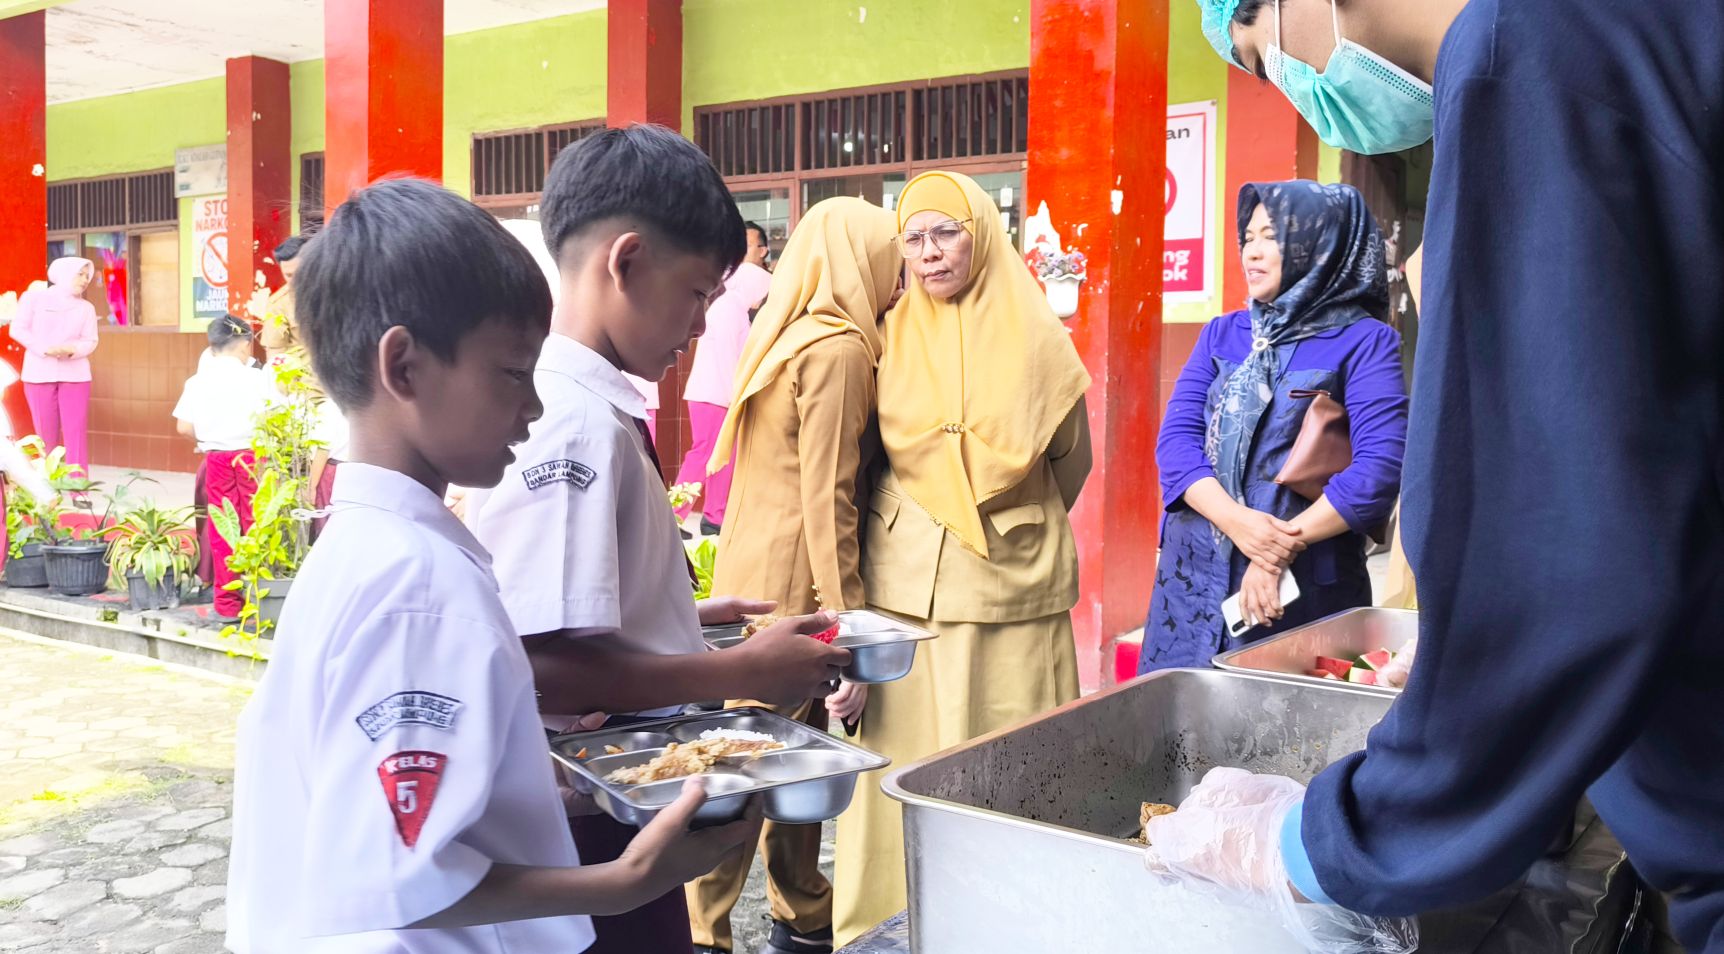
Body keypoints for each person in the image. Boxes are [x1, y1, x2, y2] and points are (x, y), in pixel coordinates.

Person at [1147, 2, 1724, 952]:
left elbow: (1570, 554)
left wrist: (1316, 841)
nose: (1291, 88)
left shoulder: (1527, 51)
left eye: (1259, 58)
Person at [225, 178, 762, 954]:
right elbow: (390, 875)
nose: (535, 408)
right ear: (403, 366)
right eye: (513, 374)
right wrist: (625, 882)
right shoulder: (420, 589)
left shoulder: (373, 549)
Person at [462, 124, 851, 954]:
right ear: (626, 261)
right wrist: (741, 669)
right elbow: (539, 654)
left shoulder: (592, 407)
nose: (704, 327)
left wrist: (684, 614)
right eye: (699, 294)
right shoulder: (570, 424)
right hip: (586, 817)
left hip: (601, 802)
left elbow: (574, 611)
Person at [834, 171, 1093, 945]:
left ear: (981, 231)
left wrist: (1008, 514)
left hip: (1013, 584)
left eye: (946, 231)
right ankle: (888, 926)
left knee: (1011, 762)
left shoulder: (1038, 332)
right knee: (900, 774)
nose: (929, 252)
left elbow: (1068, 457)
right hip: (907, 592)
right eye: (913, 238)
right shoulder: (883, 333)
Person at [687, 197, 902, 954]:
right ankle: (711, 931)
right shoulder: (839, 350)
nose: (899, 277)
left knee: (774, 754)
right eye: (891, 258)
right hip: (797, 581)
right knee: (752, 764)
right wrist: (849, 630)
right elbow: (828, 494)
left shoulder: (784, 334)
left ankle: (800, 909)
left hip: (755, 565)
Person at [1138, 181, 1407, 672]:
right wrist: (1241, 526)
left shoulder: (1365, 342)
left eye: (1272, 237)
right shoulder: (1223, 333)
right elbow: (1175, 445)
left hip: (1298, 587)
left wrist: (1271, 554)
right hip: (1191, 576)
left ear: (1320, 247)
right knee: (1174, 729)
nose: (1252, 252)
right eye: (1248, 237)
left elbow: (1378, 471)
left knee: (1280, 737)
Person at [173, 315, 276, 619]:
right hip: (252, 458)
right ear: (245, 343)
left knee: (223, 527)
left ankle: (228, 603)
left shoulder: (197, 381)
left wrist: (204, 438)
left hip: (217, 458)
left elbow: (183, 427)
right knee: (256, 523)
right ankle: (260, 597)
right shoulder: (258, 378)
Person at [673, 258, 773, 534]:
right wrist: (735, 398)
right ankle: (675, 514)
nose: (762, 298)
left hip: (717, 393)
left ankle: (714, 517)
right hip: (715, 394)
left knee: (721, 456)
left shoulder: (734, 309)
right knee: (704, 454)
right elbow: (730, 358)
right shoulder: (729, 310)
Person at [11, 257, 99, 474]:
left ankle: (78, 487)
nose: (85, 280)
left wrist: (72, 350)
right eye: (80, 274)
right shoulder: (33, 298)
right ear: (64, 273)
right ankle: (48, 487)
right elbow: (18, 329)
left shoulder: (86, 308)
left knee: (75, 432)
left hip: (76, 375)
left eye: (87, 275)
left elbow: (91, 341)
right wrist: (44, 349)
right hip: (38, 373)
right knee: (43, 435)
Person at [259, 234, 308, 368]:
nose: (294, 281)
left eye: (299, 273)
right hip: (304, 382)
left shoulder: (334, 293)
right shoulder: (278, 305)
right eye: (288, 275)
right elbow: (275, 354)